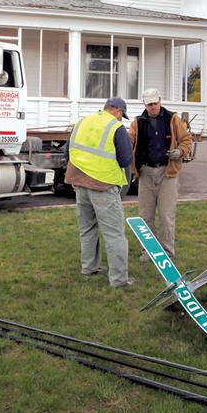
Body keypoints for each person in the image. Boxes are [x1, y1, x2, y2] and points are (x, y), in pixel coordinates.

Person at [65, 97, 134, 289]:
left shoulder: (83, 122)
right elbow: (125, 159)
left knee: (87, 229)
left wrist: (75, 176)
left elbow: (67, 152)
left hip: (80, 185)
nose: (121, 119)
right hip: (103, 186)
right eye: (122, 116)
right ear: (118, 111)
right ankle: (119, 280)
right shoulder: (116, 127)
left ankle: (89, 268)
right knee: (114, 234)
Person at [129, 88, 192, 261]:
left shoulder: (173, 119)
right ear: (145, 105)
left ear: (160, 101)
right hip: (145, 173)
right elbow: (129, 141)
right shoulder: (137, 122)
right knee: (145, 215)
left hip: (168, 173)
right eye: (149, 104)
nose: (153, 107)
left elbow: (187, 139)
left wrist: (179, 151)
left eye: (155, 103)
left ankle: (167, 253)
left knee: (166, 215)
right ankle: (147, 251)